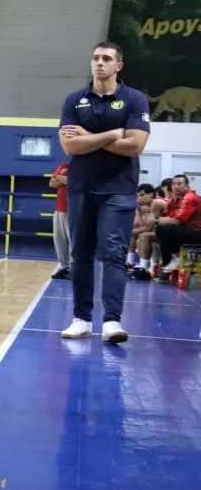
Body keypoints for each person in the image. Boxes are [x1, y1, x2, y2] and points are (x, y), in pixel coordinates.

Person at [58, 41, 150, 344]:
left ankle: (112, 321)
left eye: (106, 58)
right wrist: (112, 135)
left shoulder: (135, 100)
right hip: (81, 187)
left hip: (119, 190)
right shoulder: (74, 100)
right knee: (80, 255)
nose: (100, 63)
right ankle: (81, 319)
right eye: (95, 57)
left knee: (113, 254)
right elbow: (70, 145)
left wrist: (89, 138)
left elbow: (135, 145)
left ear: (118, 66)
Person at [153, 174, 201, 281]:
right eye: (174, 184)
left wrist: (155, 220)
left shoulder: (189, 198)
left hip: (197, 232)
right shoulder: (175, 199)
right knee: (160, 230)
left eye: (179, 184)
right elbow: (170, 217)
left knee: (165, 230)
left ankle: (169, 263)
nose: (175, 186)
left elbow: (176, 221)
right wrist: (159, 221)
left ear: (187, 186)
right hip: (187, 230)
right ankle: (173, 259)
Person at [127, 183, 157, 280]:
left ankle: (144, 268)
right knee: (134, 234)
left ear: (151, 194)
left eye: (142, 195)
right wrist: (138, 211)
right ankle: (129, 263)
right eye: (138, 196)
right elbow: (138, 224)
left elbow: (149, 227)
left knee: (142, 236)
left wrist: (132, 231)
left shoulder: (156, 203)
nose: (139, 198)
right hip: (156, 230)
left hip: (165, 232)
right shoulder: (143, 206)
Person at [49, 159, 71, 279]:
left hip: (73, 208)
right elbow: (52, 183)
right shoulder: (64, 165)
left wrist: (60, 178)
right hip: (59, 207)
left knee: (72, 239)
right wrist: (65, 180)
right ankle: (63, 265)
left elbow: (76, 182)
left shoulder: (81, 167)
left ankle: (74, 267)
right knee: (59, 238)